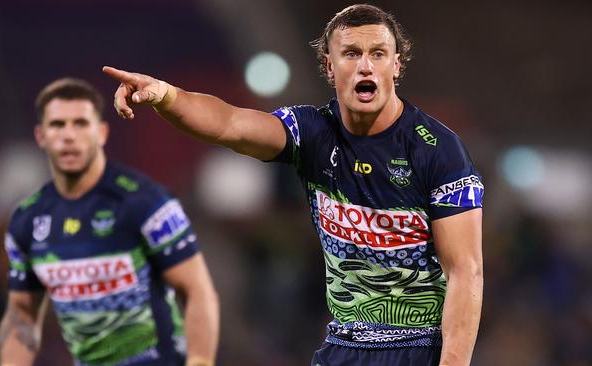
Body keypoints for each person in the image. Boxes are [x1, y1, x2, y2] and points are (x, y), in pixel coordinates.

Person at [103, 4, 483, 365]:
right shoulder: (312, 132)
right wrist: (167, 96)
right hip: (344, 347)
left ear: (396, 65)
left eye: (378, 54)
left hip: (420, 348)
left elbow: (465, 269)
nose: (365, 66)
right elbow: (229, 124)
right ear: (329, 67)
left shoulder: (438, 149)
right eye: (351, 53)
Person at [0, 78, 219, 366]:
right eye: (57, 125)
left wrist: (200, 361)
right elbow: (21, 315)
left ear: (101, 132)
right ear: (41, 136)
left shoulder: (145, 202)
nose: (69, 136)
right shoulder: (27, 220)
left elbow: (197, 290)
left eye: (80, 123)